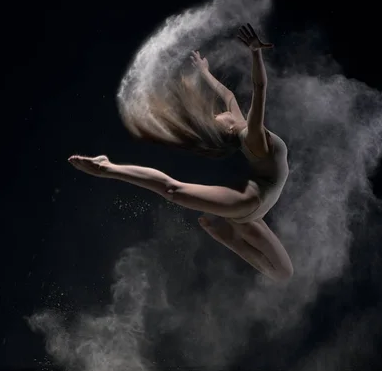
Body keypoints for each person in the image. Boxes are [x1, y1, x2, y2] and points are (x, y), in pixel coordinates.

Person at [69, 24, 293, 282]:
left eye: (215, 117)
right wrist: (255, 53)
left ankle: (226, 236)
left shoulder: (238, 121)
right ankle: (106, 167)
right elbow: (260, 87)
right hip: (248, 204)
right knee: (173, 190)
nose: (215, 115)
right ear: (228, 130)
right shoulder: (251, 136)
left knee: (284, 273)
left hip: (254, 213)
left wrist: (204, 71)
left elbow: (227, 94)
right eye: (215, 120)